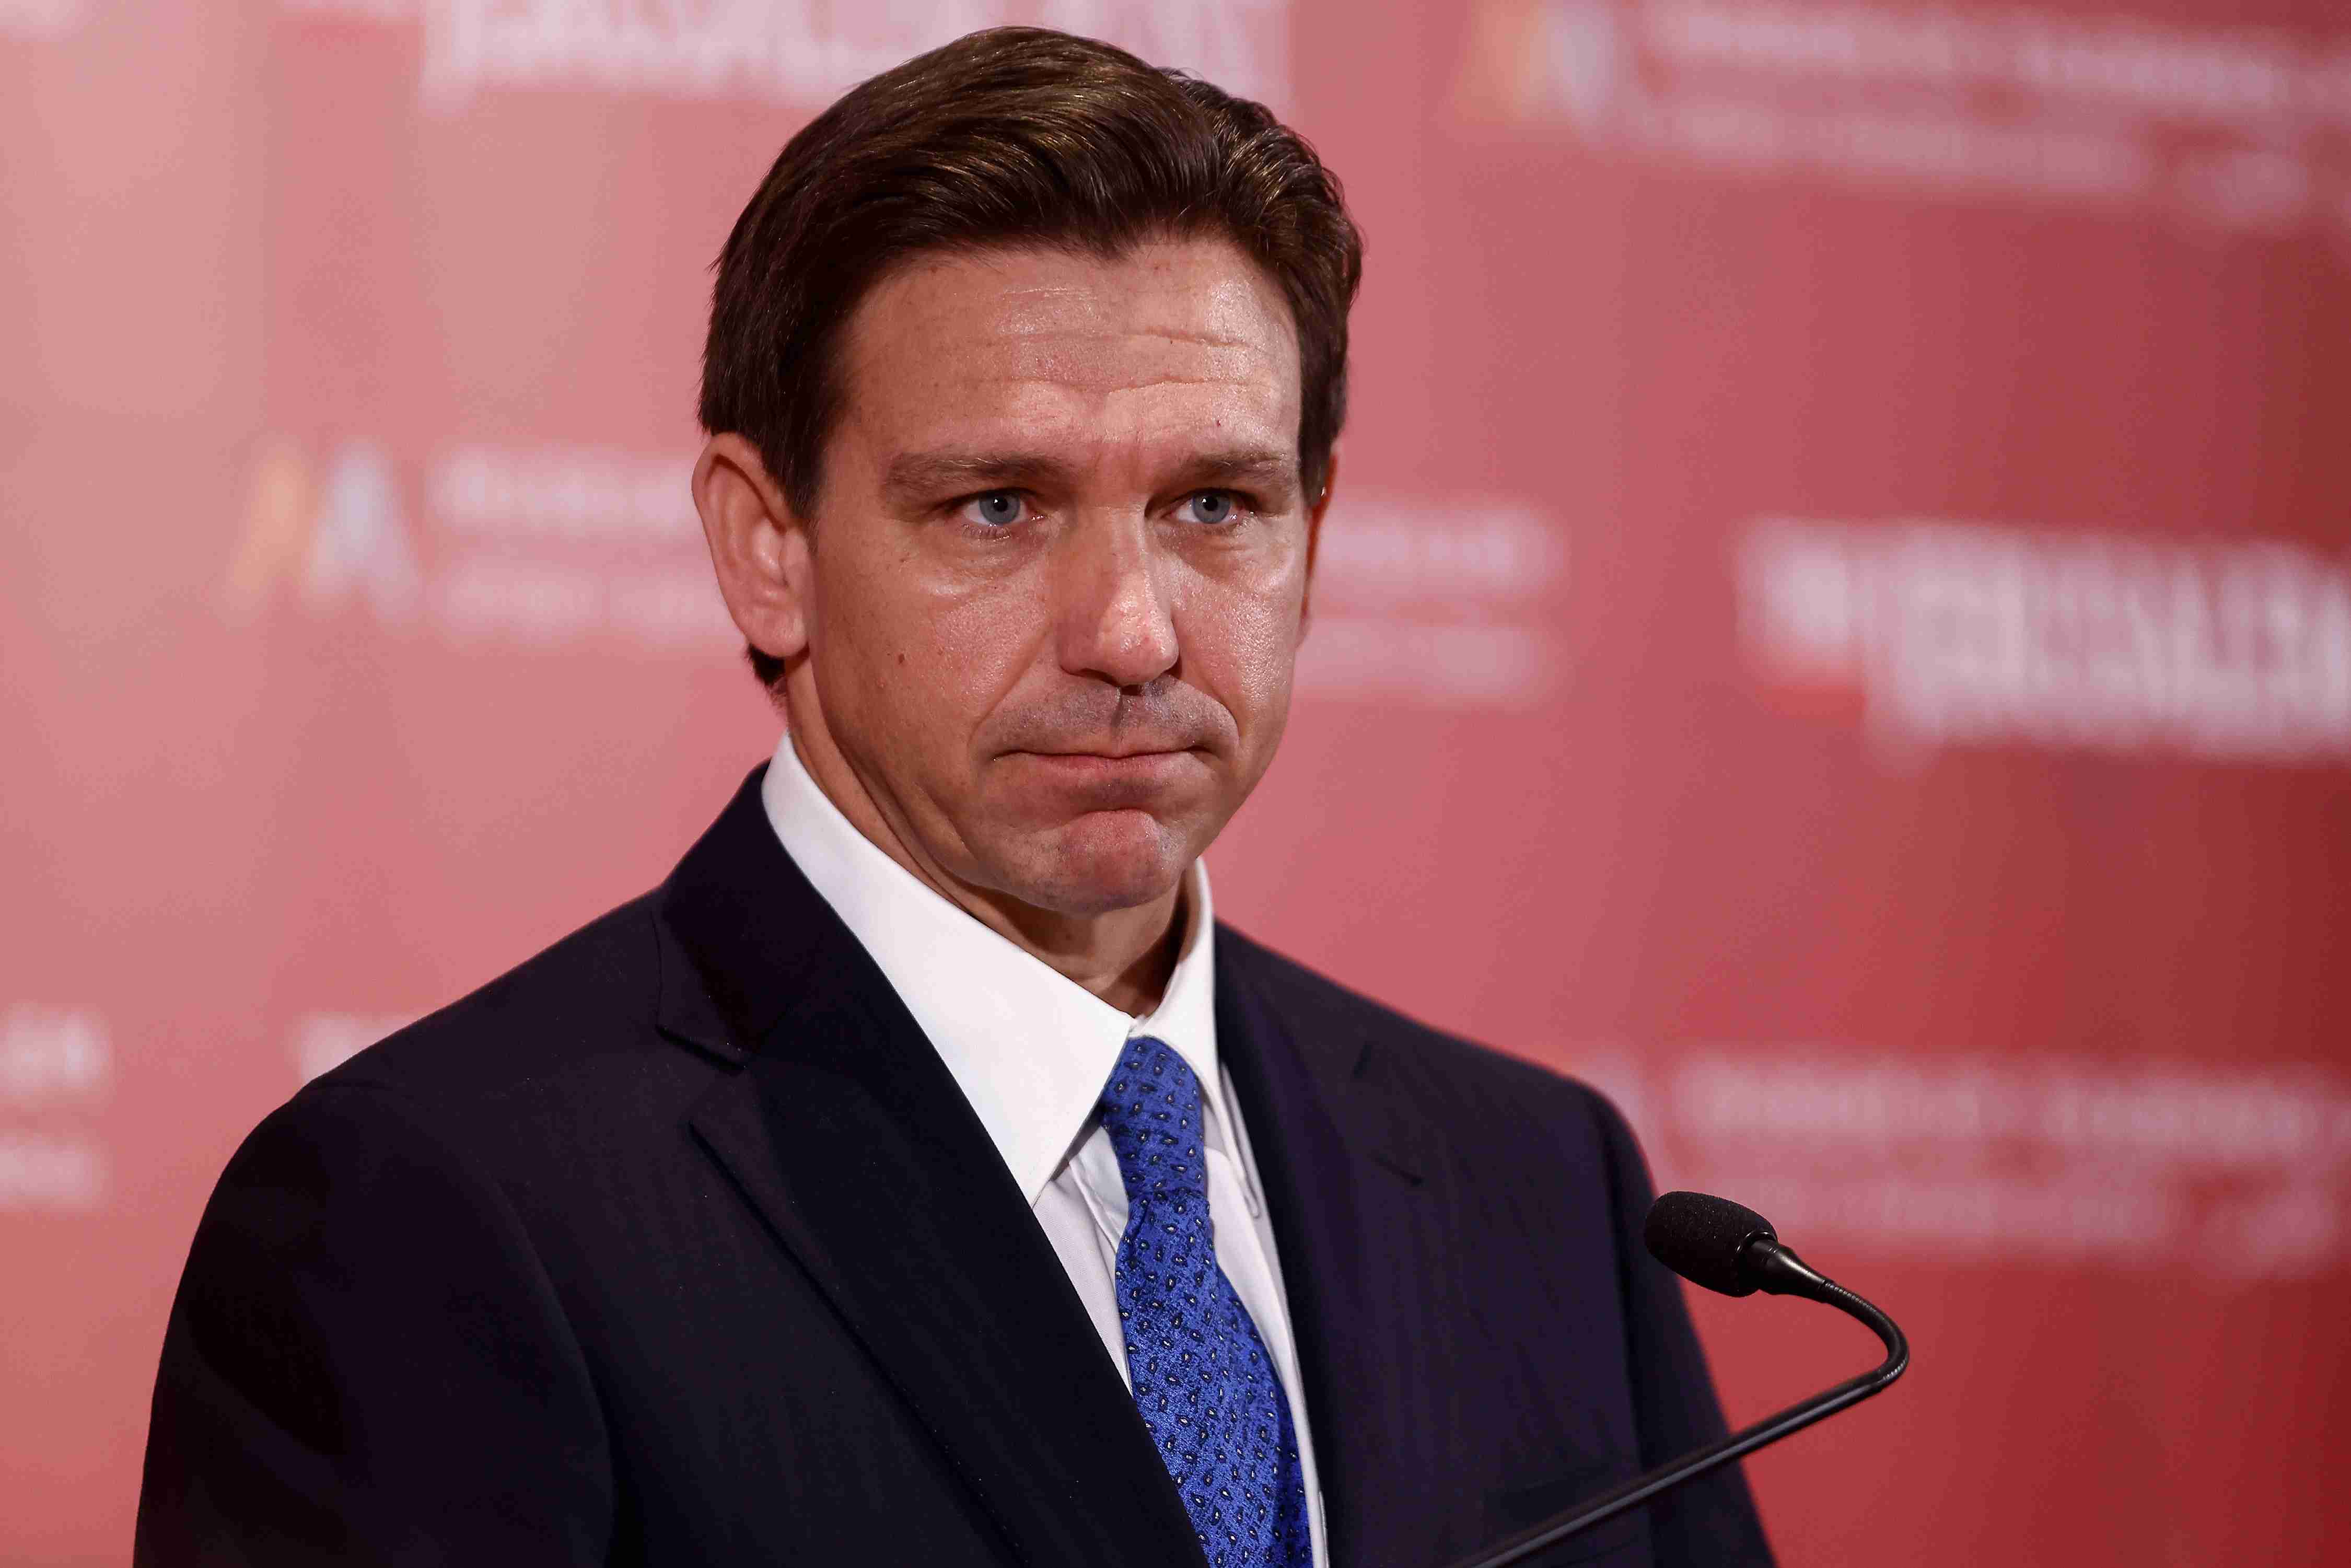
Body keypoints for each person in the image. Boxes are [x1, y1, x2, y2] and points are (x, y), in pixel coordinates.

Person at [136, 27, 1771, 1568]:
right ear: (767, 547)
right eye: (998, 505)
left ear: (1315, 531)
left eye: (1215, 503)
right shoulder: (431, 1214)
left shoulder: (1541, 1189)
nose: (1130, 631)